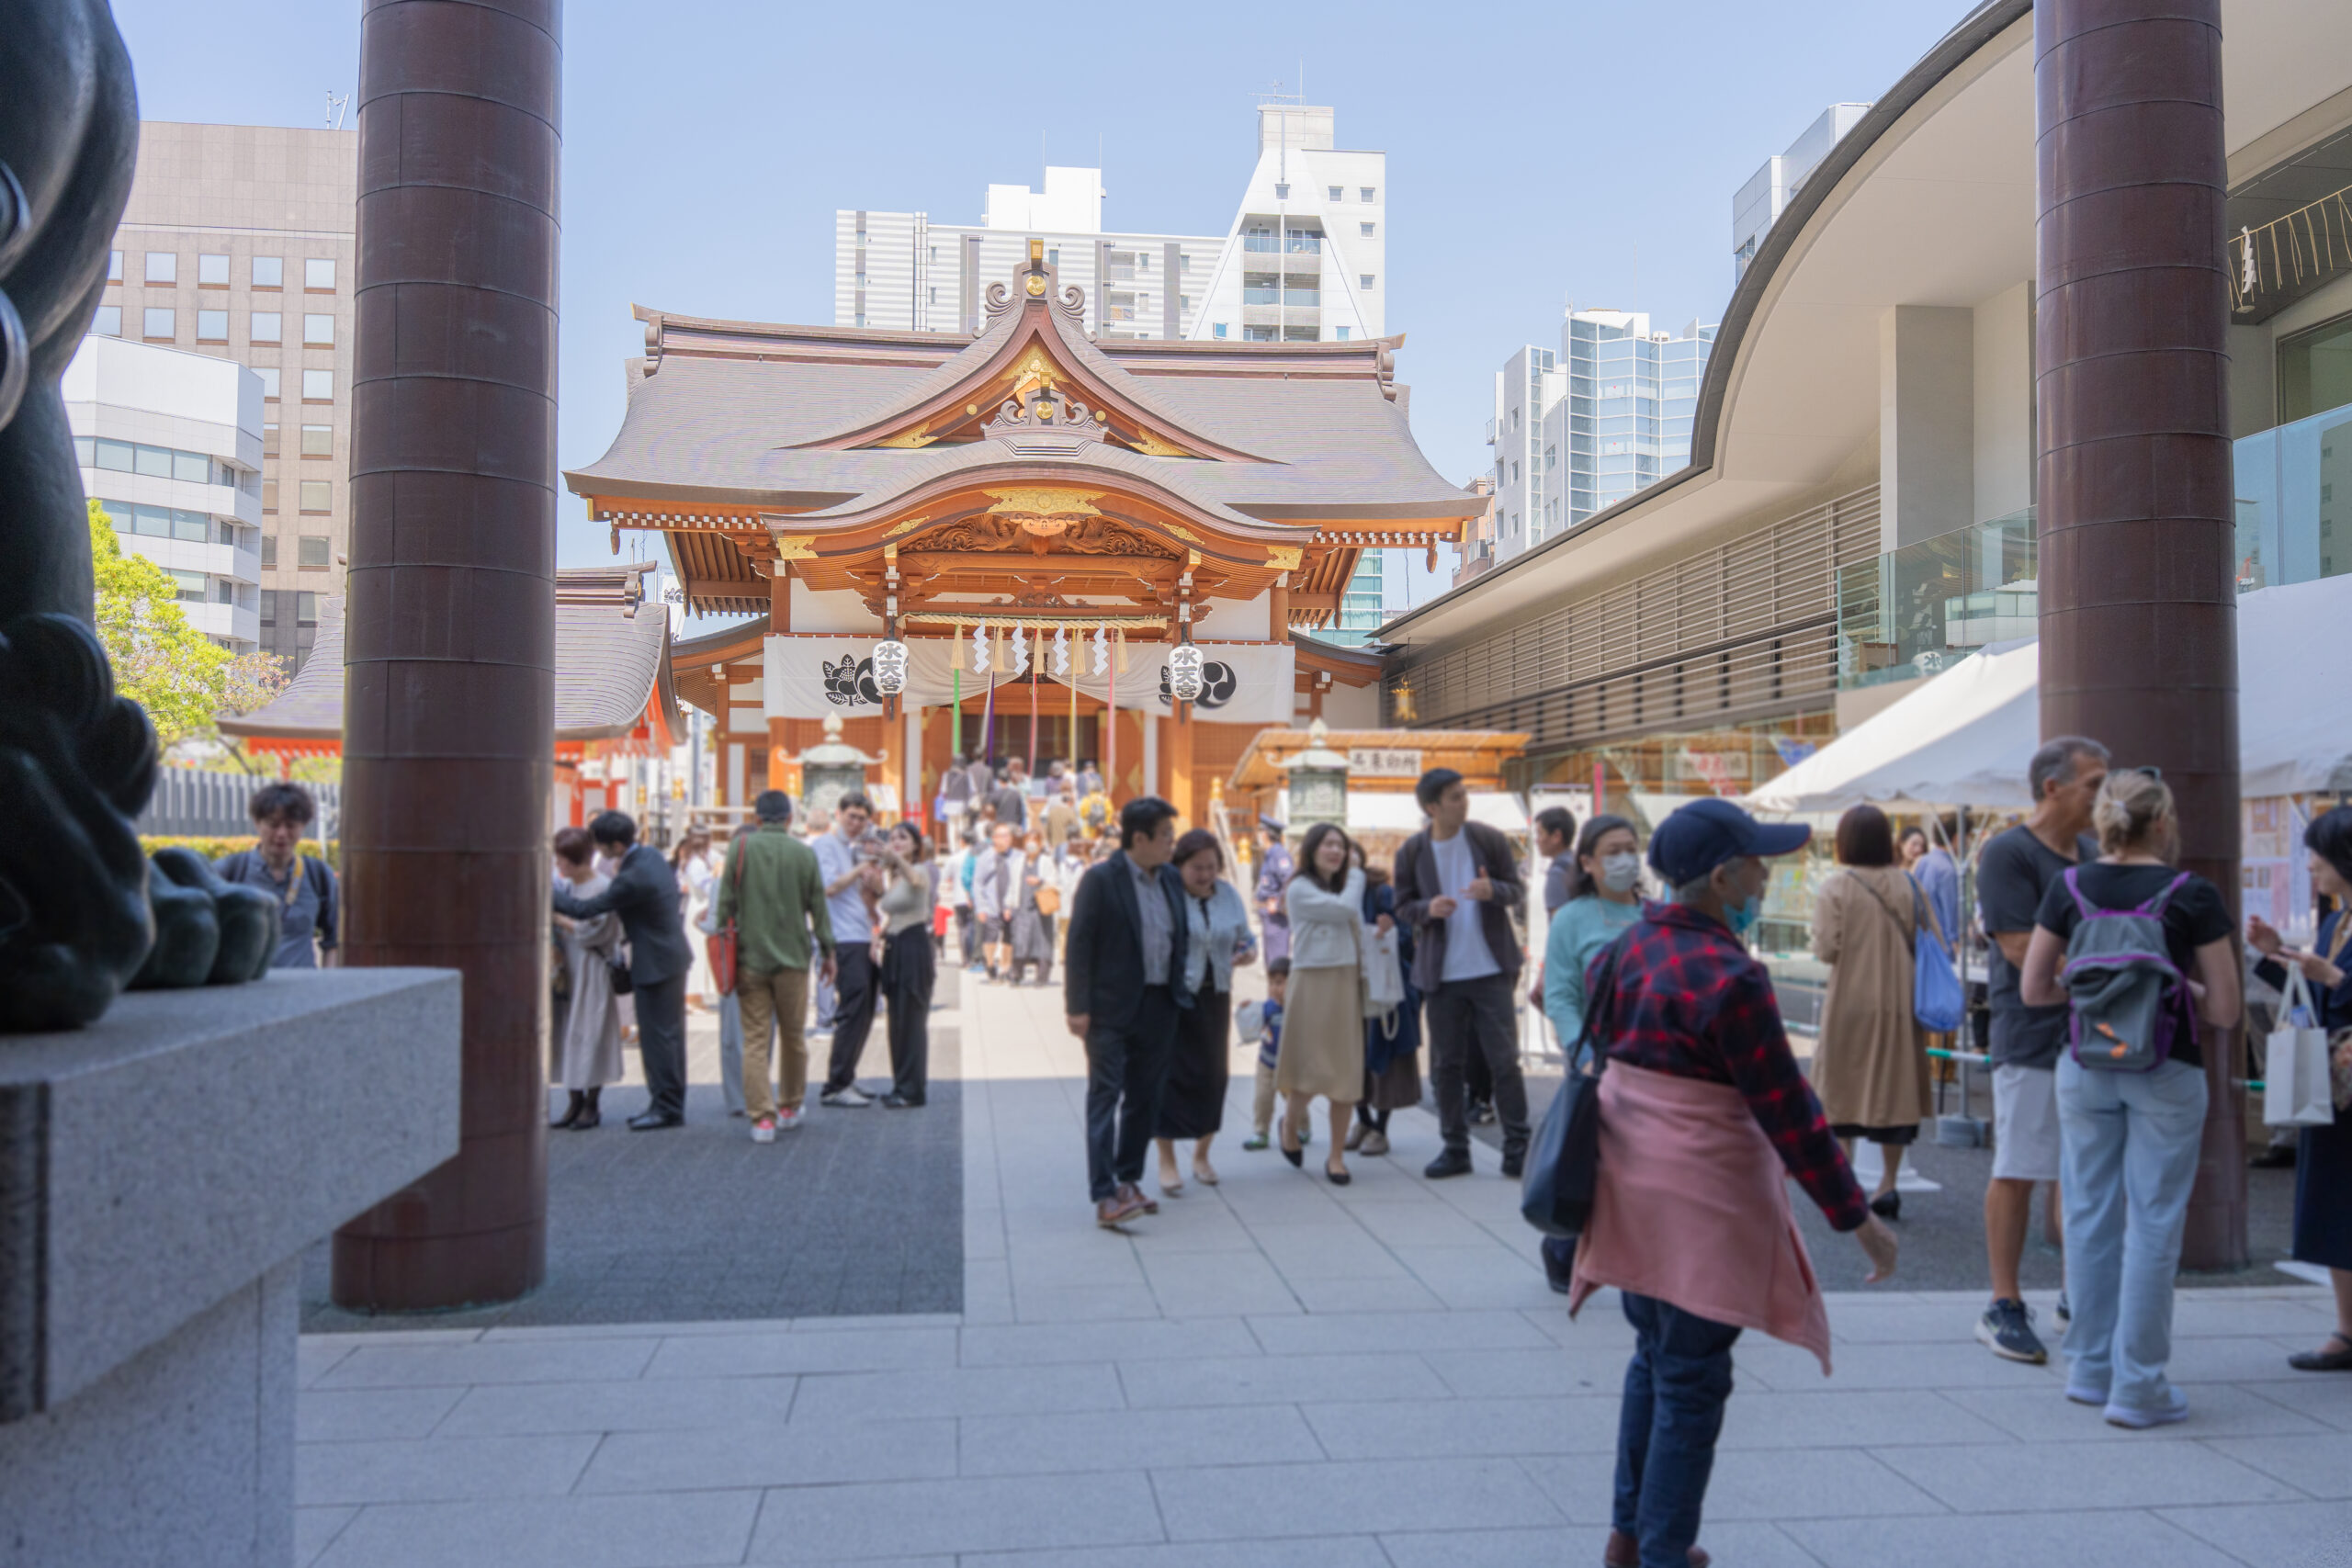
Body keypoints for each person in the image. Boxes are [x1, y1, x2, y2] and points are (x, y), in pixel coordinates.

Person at [1567, 796, 1899, 1568]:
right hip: (1699, 1214)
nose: (1765, 876)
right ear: (1722, 878)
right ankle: (1662, 1550)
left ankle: (1631, 1536)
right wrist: (1859, 1219)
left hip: (1625, 1201)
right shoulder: (1734, 978)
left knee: (1653, 1361)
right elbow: (1791, 1113)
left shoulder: (1623, 951)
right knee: (1691, 1383)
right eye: (1758, 864)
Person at [2021, 768, 2238, 1427]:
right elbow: (2226, 1009)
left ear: (2103, 823)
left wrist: (2096, 993)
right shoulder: (2190, 893)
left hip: (2085, 1062)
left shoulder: (2070, 886)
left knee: (2087, 1214)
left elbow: (2035, 988)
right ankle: (2138, 1384)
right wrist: (2181, 991)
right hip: (2166, 1065)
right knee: (2153, 1221)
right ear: (2163, 823)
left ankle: (2089, 1369)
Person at [1975, 735, 2110, 1362]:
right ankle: (2003, 1302)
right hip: (2030, 1032)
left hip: (2093, 1031)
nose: (2104, 794)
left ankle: (2073, 1293)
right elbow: (2015, 946)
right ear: (2052, 786)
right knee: (2020, 1166)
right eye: (2094, 782)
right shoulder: (2007, 851)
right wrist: (2108, 963)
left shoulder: (2093, 850)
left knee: (2080, 1168)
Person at [2252, 806, 2352, 1371]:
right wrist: (2276, 957)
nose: (2310, 864)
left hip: (2344, 1076)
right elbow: (2317, 997)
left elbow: (2338, 987)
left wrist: (2332, 976)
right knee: (2334, 1201)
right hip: (2334, 1080)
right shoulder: (2338, 921)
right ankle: (2346, 1329)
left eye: (2317, 853)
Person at [1394, 767, 1531, 1179]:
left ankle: (1517, 1147)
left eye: (1463, 793)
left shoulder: (1487, 839)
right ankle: (1455, 1147)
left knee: (1504, 1060)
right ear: (1433, 807)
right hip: (1442, 973)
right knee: (1445, 1065)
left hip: (1491, 968)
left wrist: (1496, 893)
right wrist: (1427, 910)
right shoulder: (1413, 852)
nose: (1463, 801)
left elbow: (1516, 888)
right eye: (1454, 796)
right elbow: (1402, 905)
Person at [1064, 795, 1190, 1227]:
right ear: (1140, 838)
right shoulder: (1102, 880)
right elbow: (1078, 943)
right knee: (1105, 1095)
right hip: (1109, 1010)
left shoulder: (1171, 878)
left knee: (1144, 1097)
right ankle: (1104, 1194)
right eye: (1166, 837)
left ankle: (1128, 1179)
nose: (1172, 844)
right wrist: (1076, 1007)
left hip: (1159, 1004)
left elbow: (1180, 934)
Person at [1810, 805, 1939, 1221]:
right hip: (1900, 1002)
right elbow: (1932, 939)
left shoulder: (1836, 887)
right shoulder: (1909, 885)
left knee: (1841, 1088)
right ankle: (1887, 1182)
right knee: (1893, 1088)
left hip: (1849, 999)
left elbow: (1826, 949)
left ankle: (1845, 1181)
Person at [1536, 812, 1645, 1292]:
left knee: (1647, 1160)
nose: (1625, 860)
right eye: (1612, 852)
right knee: (1591, 1158)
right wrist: (1580, 1054)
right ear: (1587, 862)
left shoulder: (1656, 913)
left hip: (1652, 1056)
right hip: (1596, 1056)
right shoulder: (1573, 919)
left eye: (1630, 849)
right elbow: (1559, 994)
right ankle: (1563, 1244)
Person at [553, 810, 693, 1130]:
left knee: (658, 1040)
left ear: (616, 845)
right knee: (669, 1037)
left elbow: (584, 909)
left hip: (655, 963)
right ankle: (669, 1104)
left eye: (600, 846)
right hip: (669, 957)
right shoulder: (649, 856)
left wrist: (547, 894)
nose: (597, 852)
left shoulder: (631, 877)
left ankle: (666, 1109)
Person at [715, 790, 834, 1141]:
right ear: (788, 819)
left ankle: (761, 1118)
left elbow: (725, 904)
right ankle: (789, 1105)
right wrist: (829, 952)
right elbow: (818, 908)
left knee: (754, 1038)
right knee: (794, 1036)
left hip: (750, 958)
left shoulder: (740, 848)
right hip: (793, 959)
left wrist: (724, 945)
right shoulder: (804, 853)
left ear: (756, 818)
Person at [1154, 829, 1256, 1193]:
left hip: (1216, 998)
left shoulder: (1228, 895)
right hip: (1175, 998)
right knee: (1168, 1077)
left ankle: (1202, 1154)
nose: (1204, 875)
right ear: (1179, 866)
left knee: (1213, 1077)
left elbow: (1246, 936)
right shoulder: (1167, 896)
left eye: (1211, 867)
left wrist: (1247, 952)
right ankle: (1167, 1160)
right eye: (1196, 867)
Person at [1277, 822, 1370, 1185]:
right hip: (1312, 980)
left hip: (1345, 979)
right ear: (1312, 849)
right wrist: (1358, 875)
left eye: (1342, 846)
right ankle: (1289, 1125)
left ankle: (1335, 1157)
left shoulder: (1340, 887)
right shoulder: (1300, 888)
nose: (1336, 852)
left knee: (1345, 1072)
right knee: (1308, 1066)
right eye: (1329, 845)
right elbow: (1345, 910)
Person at [214, 781, 339, 969]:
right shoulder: (230, 871)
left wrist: (327, 985)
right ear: (257, 823)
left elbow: (335, 940)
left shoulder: (318, 875)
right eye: (273, 824)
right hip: (244, 992)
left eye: (291, 825)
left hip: (302, 992)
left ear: (303, 826)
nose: (281, 833)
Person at [548, 825, 623, 1129]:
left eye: (561, 859)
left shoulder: (602, 887)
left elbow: (594, 931)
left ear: (575, 859)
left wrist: (558, 920)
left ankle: (591, 1105)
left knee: (590, 1031)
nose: (558, 865)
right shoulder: (568, 887)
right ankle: (573, 1101)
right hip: (570, 967)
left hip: (592, 966)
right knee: (569, 1031)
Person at [812, 793, 883, 1107]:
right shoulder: (825, 846)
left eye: (862, 819)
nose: (856, 823)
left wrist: (876, 870)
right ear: (838, 814)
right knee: (852, 1009)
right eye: (851, 816)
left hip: (865, 933)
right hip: (842, 937)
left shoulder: (862, 847)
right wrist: (860, 868)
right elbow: (828, 887)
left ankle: (848, 1077)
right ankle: (835, 1084)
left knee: (866, 1010)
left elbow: (876, 892)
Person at [1352, 863, 1420, 1158]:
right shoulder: (1329, 894)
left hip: (1382, 987)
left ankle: (1380, 1128)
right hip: (1347, 986)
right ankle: (1363, 1122)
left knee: (1382, 1055)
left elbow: (1407, 940)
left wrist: (1389, 932)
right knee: (1351, 1058)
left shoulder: (1381, 894)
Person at [872, 821, 935, 1109]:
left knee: (911, 1021)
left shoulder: (918, 870)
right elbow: (892, 914)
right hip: (895, 946)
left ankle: (912, 1090)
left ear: (915, 845)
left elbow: (918, 883)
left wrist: (895, 858)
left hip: (914, 946)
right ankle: (901, 1085)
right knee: (896, 1021)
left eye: (903, 838)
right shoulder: (894, 876)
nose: (896, 841)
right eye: (893, 837)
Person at [1241, 959, 1291, 1152]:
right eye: (1271, 983)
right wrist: (1246, 1008)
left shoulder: (1297, 1009)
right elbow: (1252, 1020)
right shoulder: (1267, 1008)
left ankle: (1301, 1127)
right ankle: (1261, 1132)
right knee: (1263, 1099)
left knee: (1294, 1101)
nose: (1274, 988)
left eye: (1279, 983)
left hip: (1290, 1065)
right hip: (1266, 1063)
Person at [673, 826, 719, 1010]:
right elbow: (706, 887)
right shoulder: (697, 863)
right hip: (700, 905)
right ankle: (691, 996)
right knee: (698, 952)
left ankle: (696, 996)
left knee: (700, 952)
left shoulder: (692, 860)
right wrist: (716, 876)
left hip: (698, 905)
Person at [973, 821, 1022, 982]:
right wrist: (980, 906)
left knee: (1009, 938)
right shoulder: (985, 858)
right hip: (991, 904)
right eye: (1002, 836)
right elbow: (978, 883)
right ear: (994, 838)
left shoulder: (1017, 856)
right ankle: (990, 964)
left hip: (1010, 903)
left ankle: (1005, 967)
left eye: (1008, 836)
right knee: (990, 938)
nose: (1006, 839)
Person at [1011, 828, 1057, 986]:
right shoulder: (1018, 862)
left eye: (1034, 842)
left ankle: (1042, 976)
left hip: (1041, 908)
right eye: (1028, 842)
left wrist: (1041, 881)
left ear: (1040, 844)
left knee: (1042, 940)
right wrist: (1009, 905)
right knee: (1020, 941)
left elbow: (1055, 882)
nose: (1031, 845)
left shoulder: (1046, 861)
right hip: (1023, 906)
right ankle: (1016, 974)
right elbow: (1013, 885)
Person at [1910, 820, 1962, 952]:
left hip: (1923, 938)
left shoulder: (1923, 861)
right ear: (1957, 838)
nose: (1968, 843)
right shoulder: (1947, 870)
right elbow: (1950, 910)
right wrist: (1954, 940)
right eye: (1967, 837)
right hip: (1942, 943)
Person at [1254, 817, 1295, 964]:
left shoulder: (1279, 855)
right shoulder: (1269, 854)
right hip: (1268, 917)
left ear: (1265, 834)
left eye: (1260, 831)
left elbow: (1290, 881)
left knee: (1277, 964)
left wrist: (1278, 904)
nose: (1258, 835)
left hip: (1277, 918)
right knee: (1270, 963)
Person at [1534, 804, 1579, 919]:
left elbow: (1558, 922)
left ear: (1556, 837)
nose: (1537, 840)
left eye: (1540, 833)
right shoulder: (1577, 863)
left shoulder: (1558, 872)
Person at [989, 759, 1030, 833]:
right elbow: (1020, 813)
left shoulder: (994, 795)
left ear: (999, 780)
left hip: (1000, 826)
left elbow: (991, 813)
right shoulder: (1016, 794)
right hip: (1013, 826)